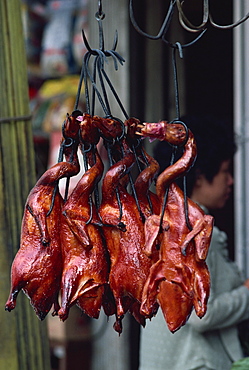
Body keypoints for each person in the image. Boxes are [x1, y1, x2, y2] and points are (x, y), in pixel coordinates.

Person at [139, 114, 249, 370]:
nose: (231, 181)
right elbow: (203, 315)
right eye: (224, 172)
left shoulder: (168, 223)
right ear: (199, 177)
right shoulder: (192, 231)